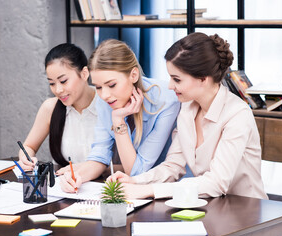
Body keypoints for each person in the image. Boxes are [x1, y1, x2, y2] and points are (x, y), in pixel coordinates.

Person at [109, 32, 268, 200]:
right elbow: (173, 166)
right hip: (212, 206)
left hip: (247, 210)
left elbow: (216, 183)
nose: (170, 86)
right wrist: (134, 181)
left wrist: (149, 190)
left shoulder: (237, 114)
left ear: (203, 79)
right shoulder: (187, 109)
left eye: (177, 79)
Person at [57, 39, 180, 192]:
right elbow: (99, 156)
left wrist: (118, 120)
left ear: (133, 75)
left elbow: (137, 171)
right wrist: (76, 177)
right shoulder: (104, 102)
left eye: (112, 85)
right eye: (98, 87)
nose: (105, 95)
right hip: (135, 192)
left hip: (170, 190)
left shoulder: (166, 100)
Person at [18, 43, 97, 171]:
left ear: (84, 73)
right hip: (64, 187)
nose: (58, 90)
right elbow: (29, 146)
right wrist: (26, 158)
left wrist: (85, 169)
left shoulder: (107, 104)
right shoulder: (50, 108)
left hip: (108, 187)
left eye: (64, 81)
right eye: (52, 83)